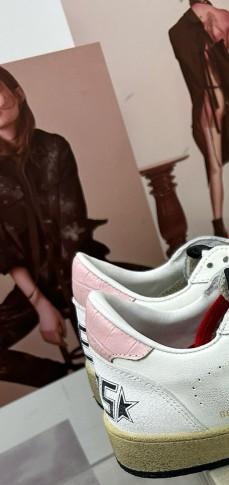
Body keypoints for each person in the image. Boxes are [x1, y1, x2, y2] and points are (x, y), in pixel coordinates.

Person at [0, 66, 109, 389]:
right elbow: (5, 249)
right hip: (33, 285)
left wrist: (78, 299)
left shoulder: (53, 148)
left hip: (81, 272)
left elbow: (72, 229)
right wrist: (40, 303)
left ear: (17, 93)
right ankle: (63, 379)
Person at [169, 0, 229, 238]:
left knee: (214, 168)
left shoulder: (178, 31)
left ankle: (218, 224)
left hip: (209, 101)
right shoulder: (224, 16)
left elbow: (192, 77)